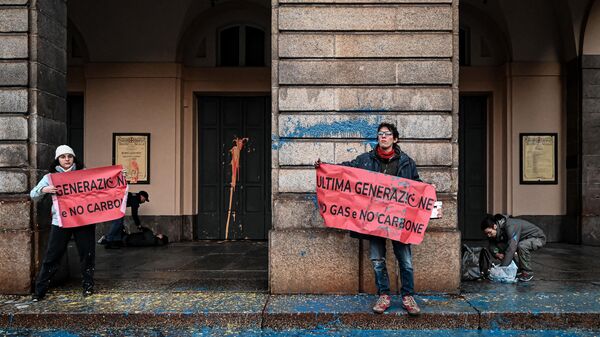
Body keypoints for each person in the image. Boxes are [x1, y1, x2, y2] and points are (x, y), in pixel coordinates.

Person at [315, 122, 423, 316]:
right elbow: (345, 171)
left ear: (395, 139)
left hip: (399, 221)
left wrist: (429, 200)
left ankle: (408, 296)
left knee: (405, 261)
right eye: (380, 134)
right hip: (374, 221)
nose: (383, 136)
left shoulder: (407, 162)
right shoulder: (365, 160)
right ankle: (384, 295)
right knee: (377, 260)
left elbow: (418, 188)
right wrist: (325, 168)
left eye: (387, 134)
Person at [30, 145, 95, 301]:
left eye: (69, 156)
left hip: (83, 220)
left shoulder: (84, 174)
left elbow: (102, 187)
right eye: (63, 156)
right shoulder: (49, 178)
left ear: (74, 158)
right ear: (57, 159)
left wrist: (119, 177)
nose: (67, 159)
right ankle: (40, 291)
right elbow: (33, 195)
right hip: (60, 221)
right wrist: (44, 189)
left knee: (87, 254)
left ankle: (88, 286)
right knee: (52, 255)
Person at [481, 213, 546, 282]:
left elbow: (511, 248)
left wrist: (503, 268)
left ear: (495, 226)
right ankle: (517, 270)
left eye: (489, 232)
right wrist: (496, 254)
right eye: (486, 234)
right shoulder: (497, 230)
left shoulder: (510, 226)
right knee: (503, 245)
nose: (488, 235)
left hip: (538, 238)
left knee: (521, 246)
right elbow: (492, 245)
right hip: (521, 240)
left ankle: (527, 273)